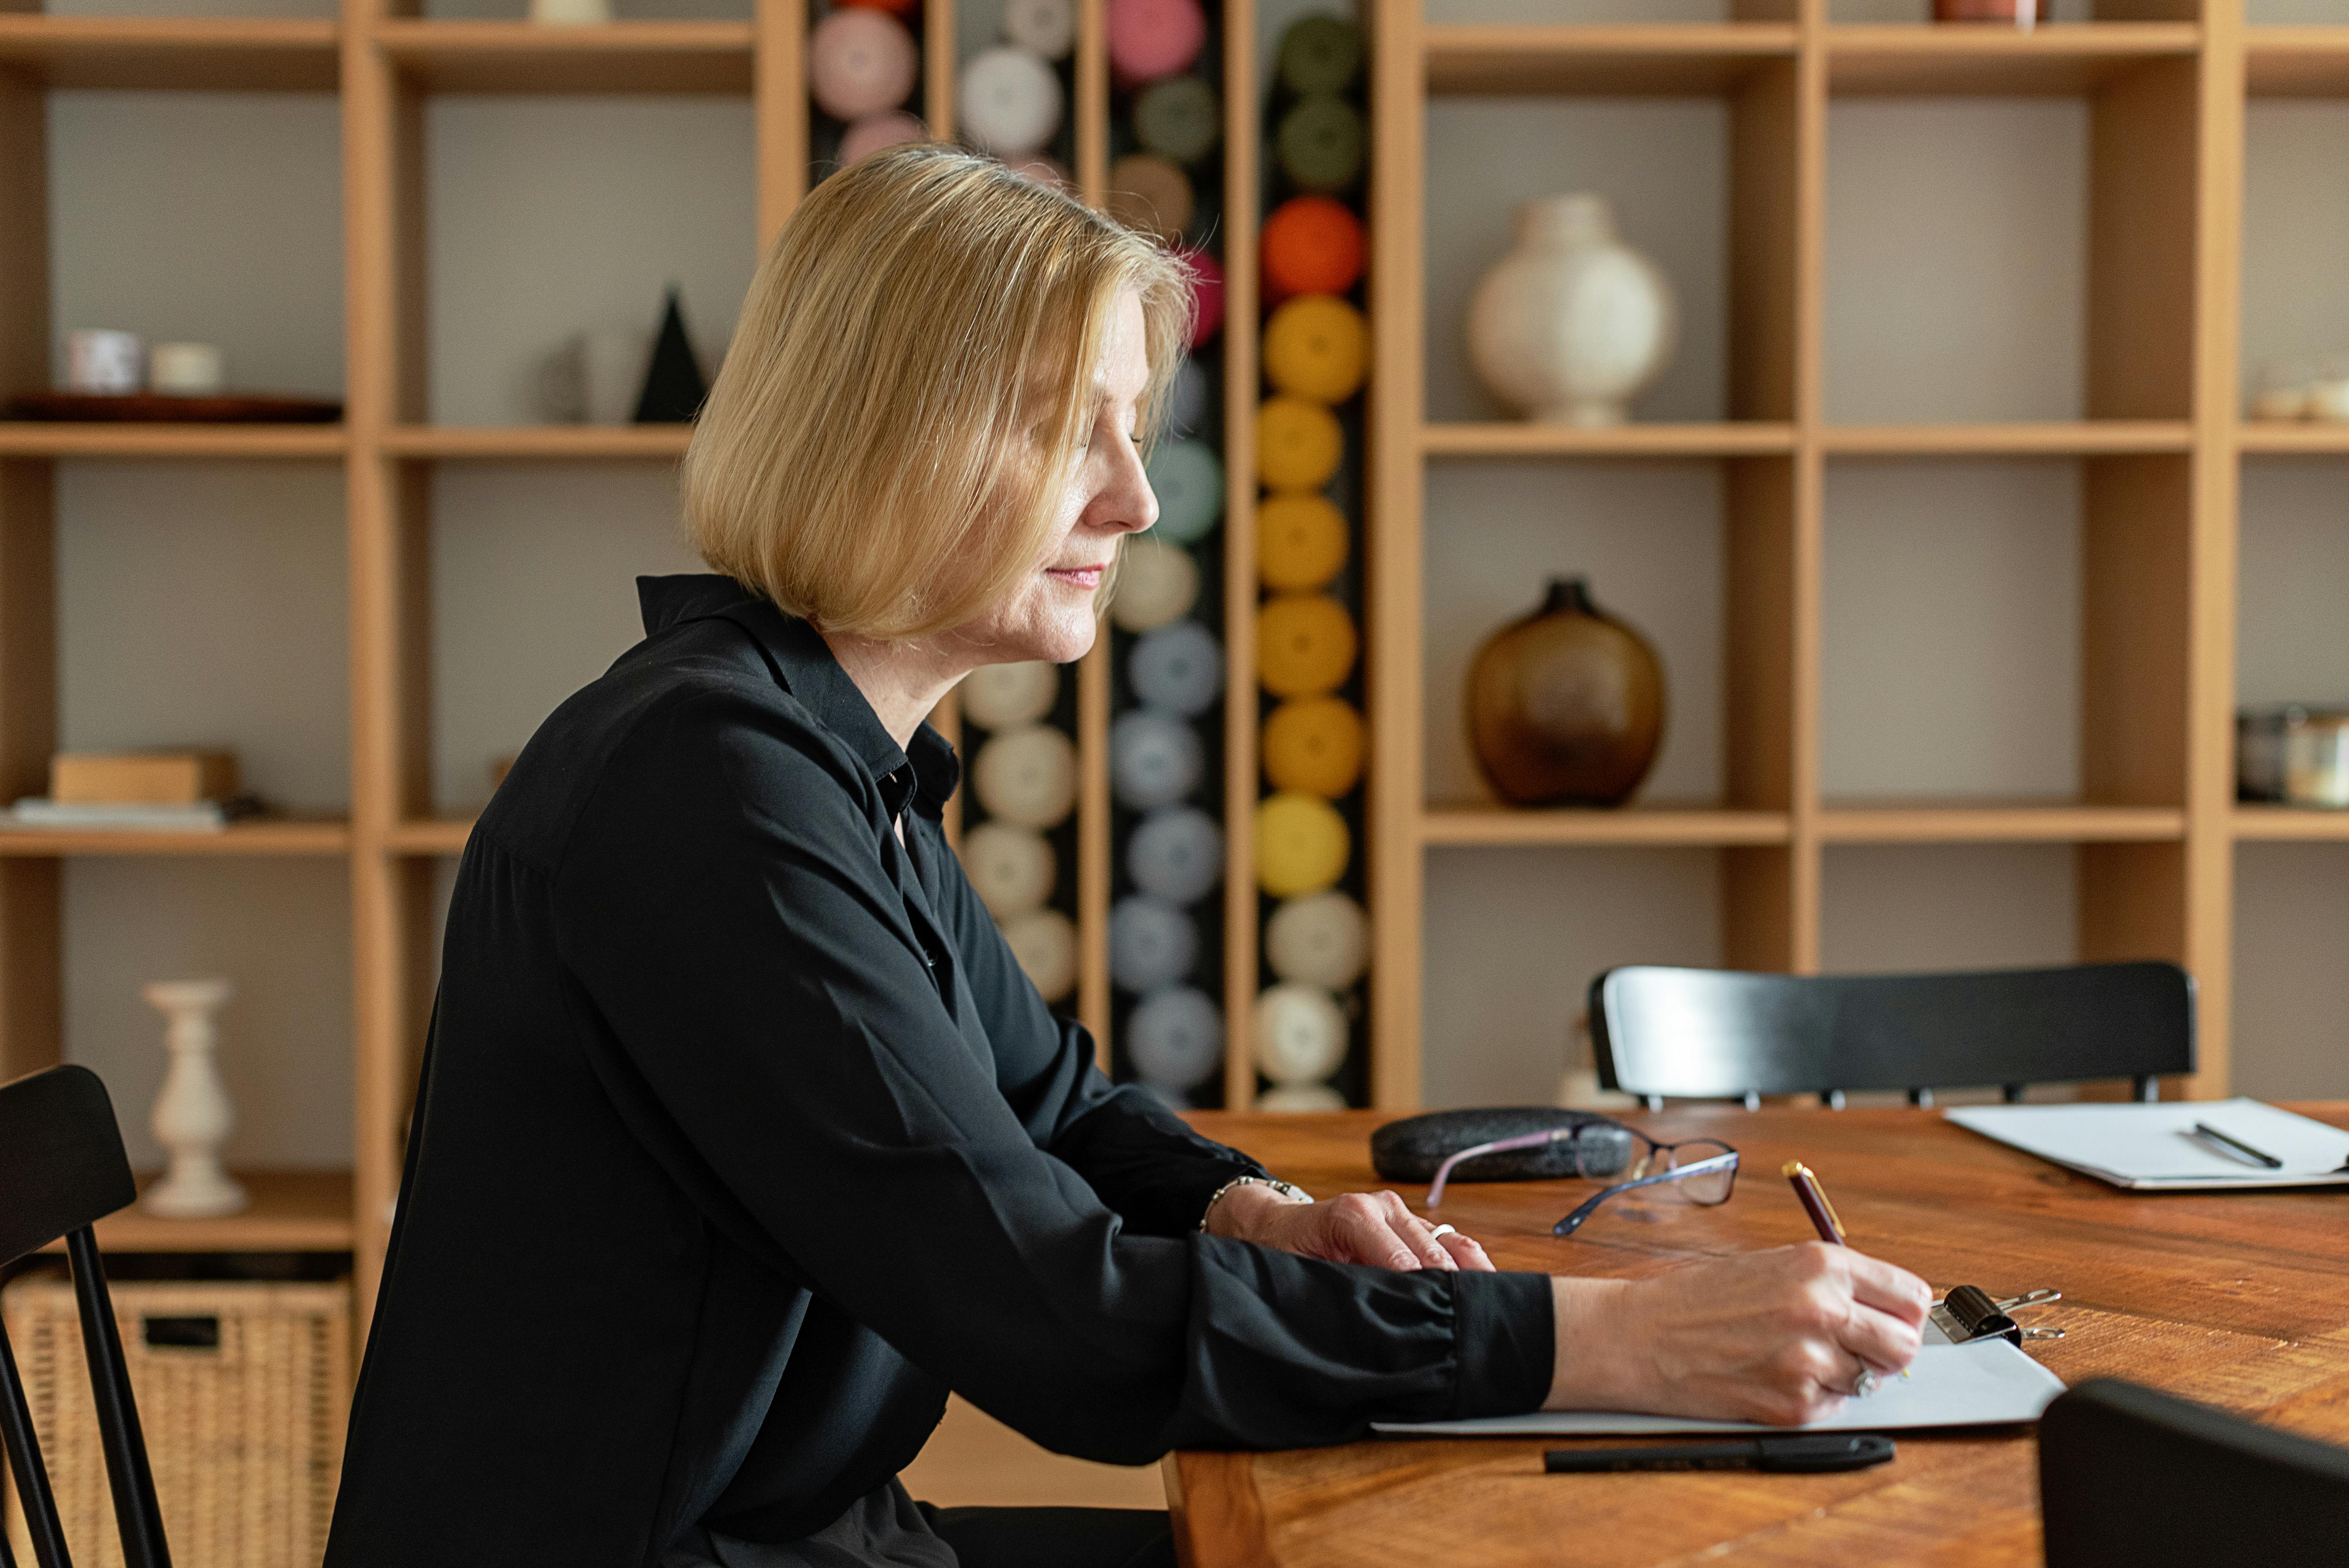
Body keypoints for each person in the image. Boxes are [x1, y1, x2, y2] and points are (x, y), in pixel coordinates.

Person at [324, 146, 1929, 1568]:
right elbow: (1057, 1322)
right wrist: (1628, 1341)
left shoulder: (809, 751)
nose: (1139, 497)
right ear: (888, 440)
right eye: (1064, 430)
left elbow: (1055, 1108)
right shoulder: (708, 791)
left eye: (1134, 427)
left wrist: (1255, 1213)